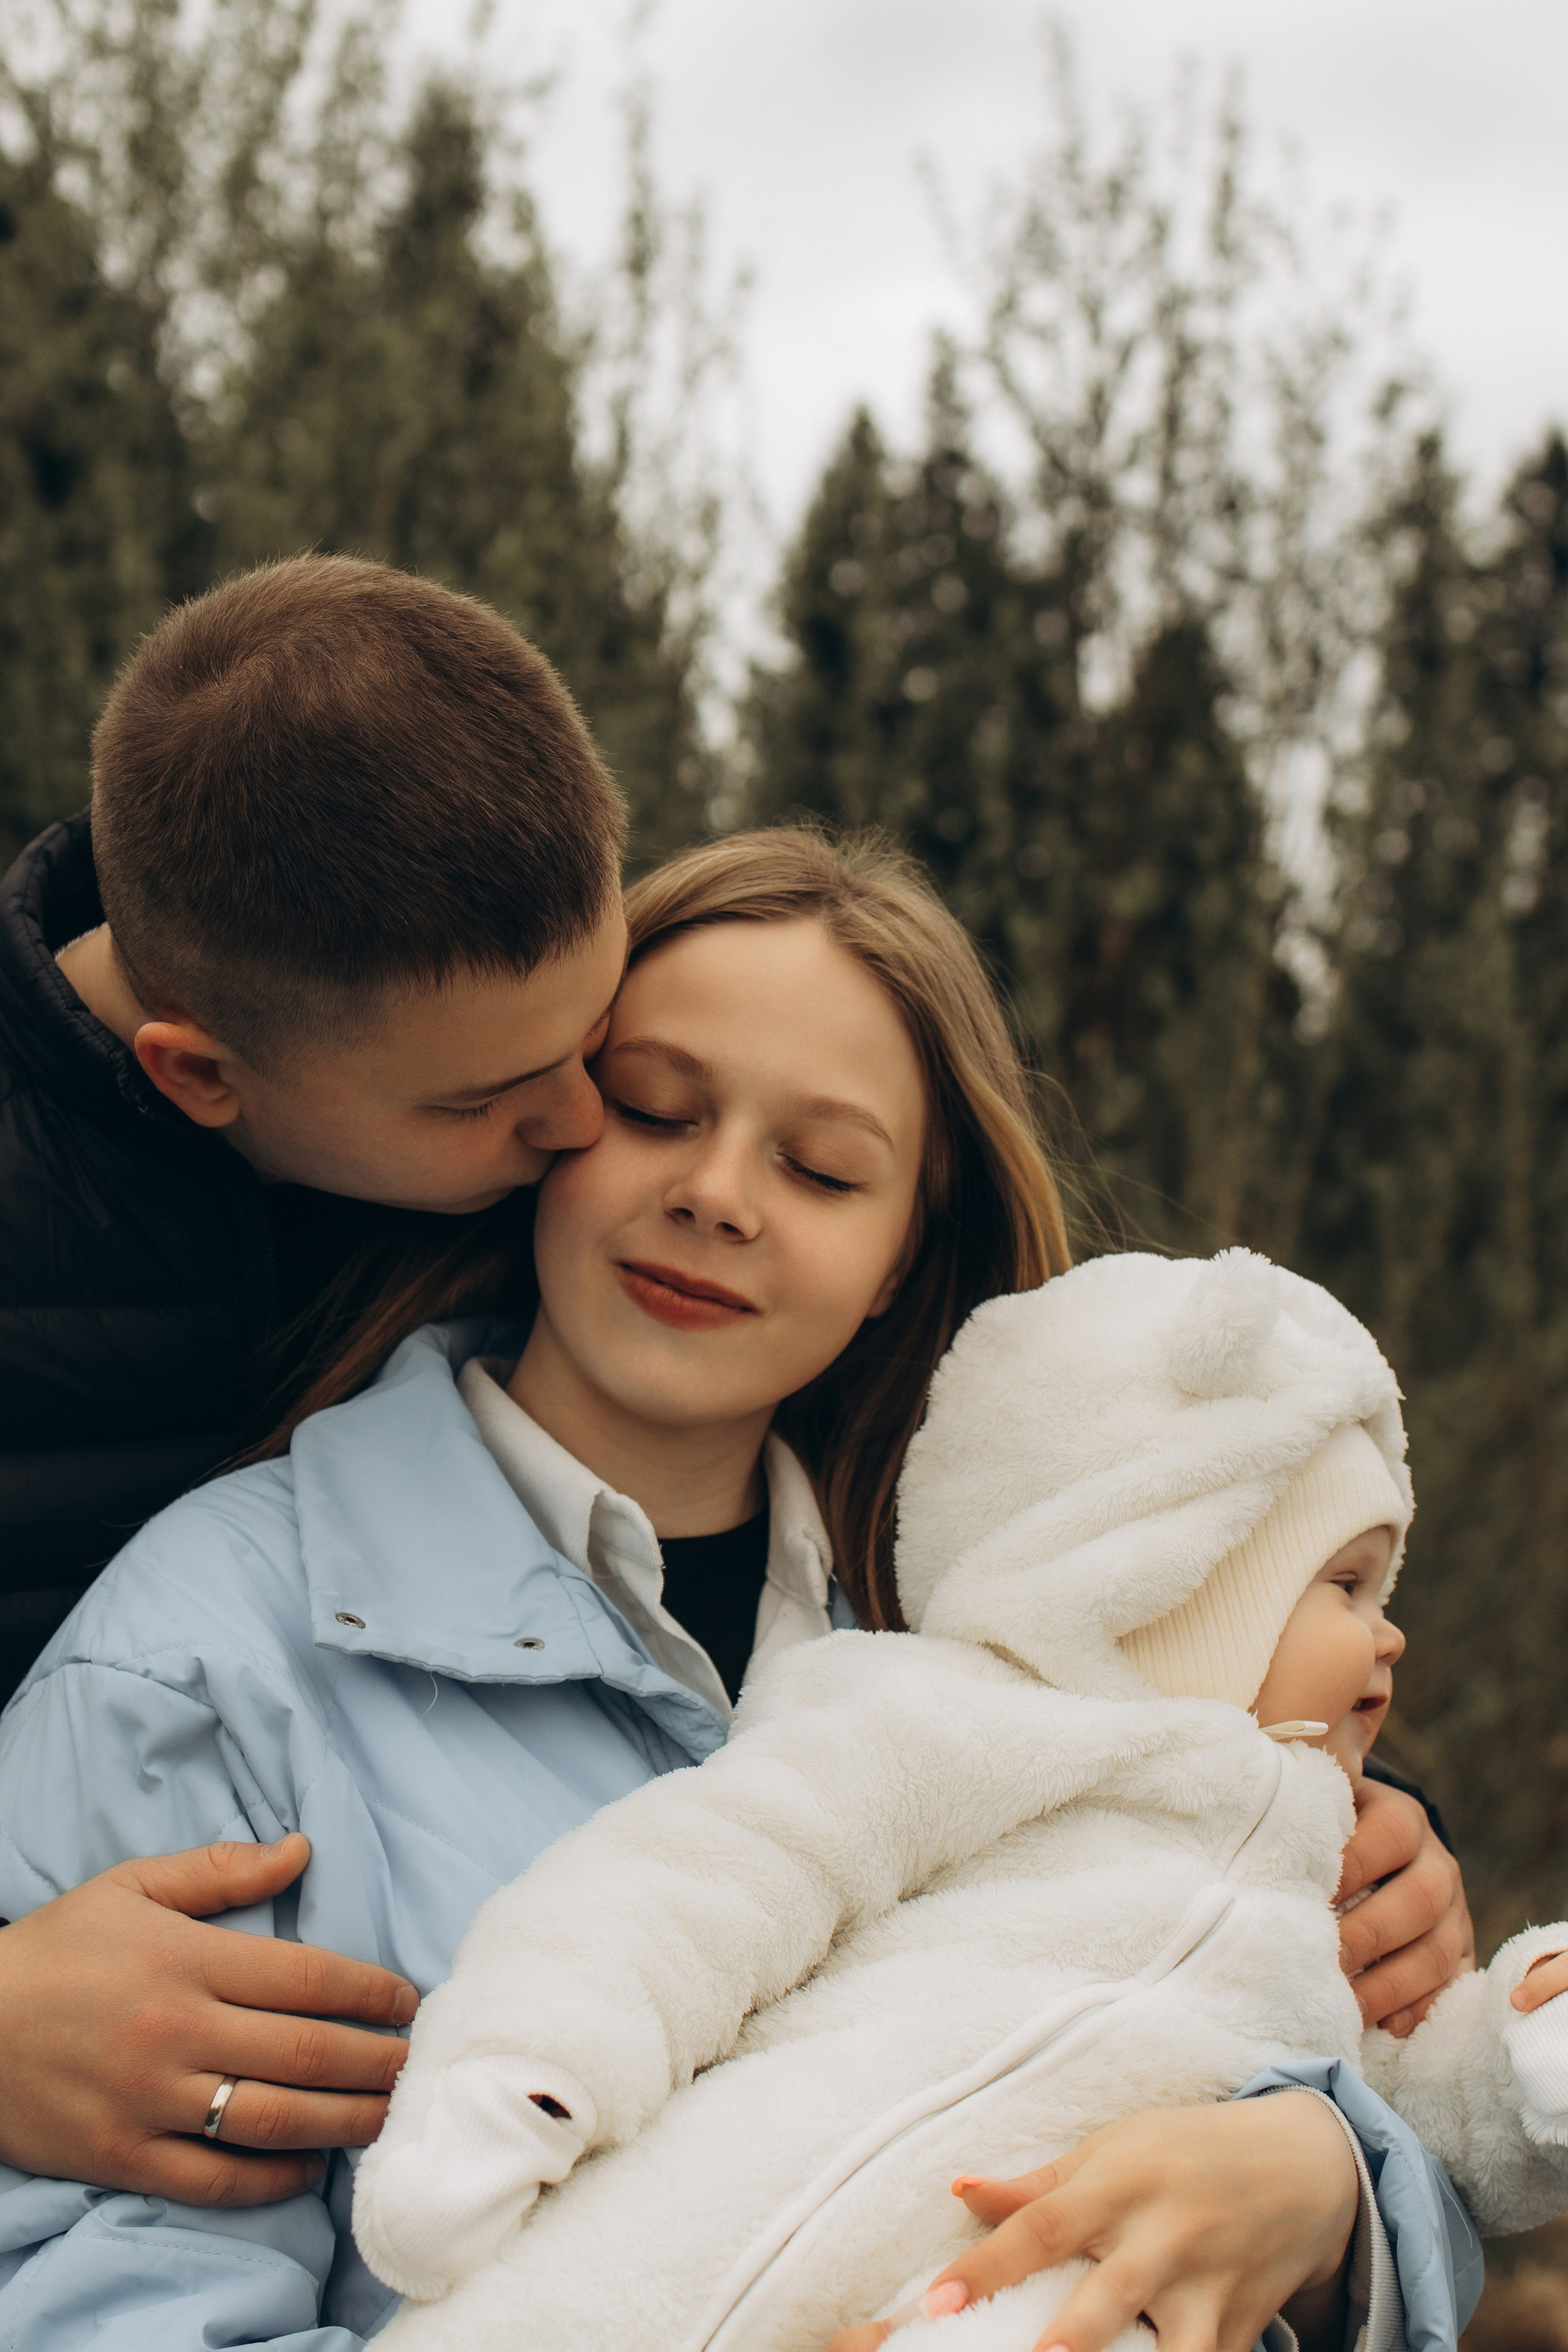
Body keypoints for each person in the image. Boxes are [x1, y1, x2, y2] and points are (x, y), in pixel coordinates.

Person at [0, 835, 1485, 2350]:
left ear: (903, 1258)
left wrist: (1330, 2200)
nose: (716, 1195)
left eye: (821, 1169)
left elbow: (1272, 2056)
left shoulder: (1022, 1657)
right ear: (541, 1123)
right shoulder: (200, 1658)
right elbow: (102, 2314)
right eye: (655, 1109)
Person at [352, 1245, 1568, 2352]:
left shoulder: (1319, 1883)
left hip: (992, 2293)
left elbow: (1401, 2105)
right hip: (647, 2273)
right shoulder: (954, 1722)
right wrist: (530, 2072)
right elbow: (702, 1876)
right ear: (1181, 1580)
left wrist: (1519, 2055)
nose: (1389, 1636)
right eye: (1345, 1585)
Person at [0, 554, 631, 2201]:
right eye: (486, 1101)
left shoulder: (485, 1081)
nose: (582, 1125)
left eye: (596, 1037)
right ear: (198, 1074)